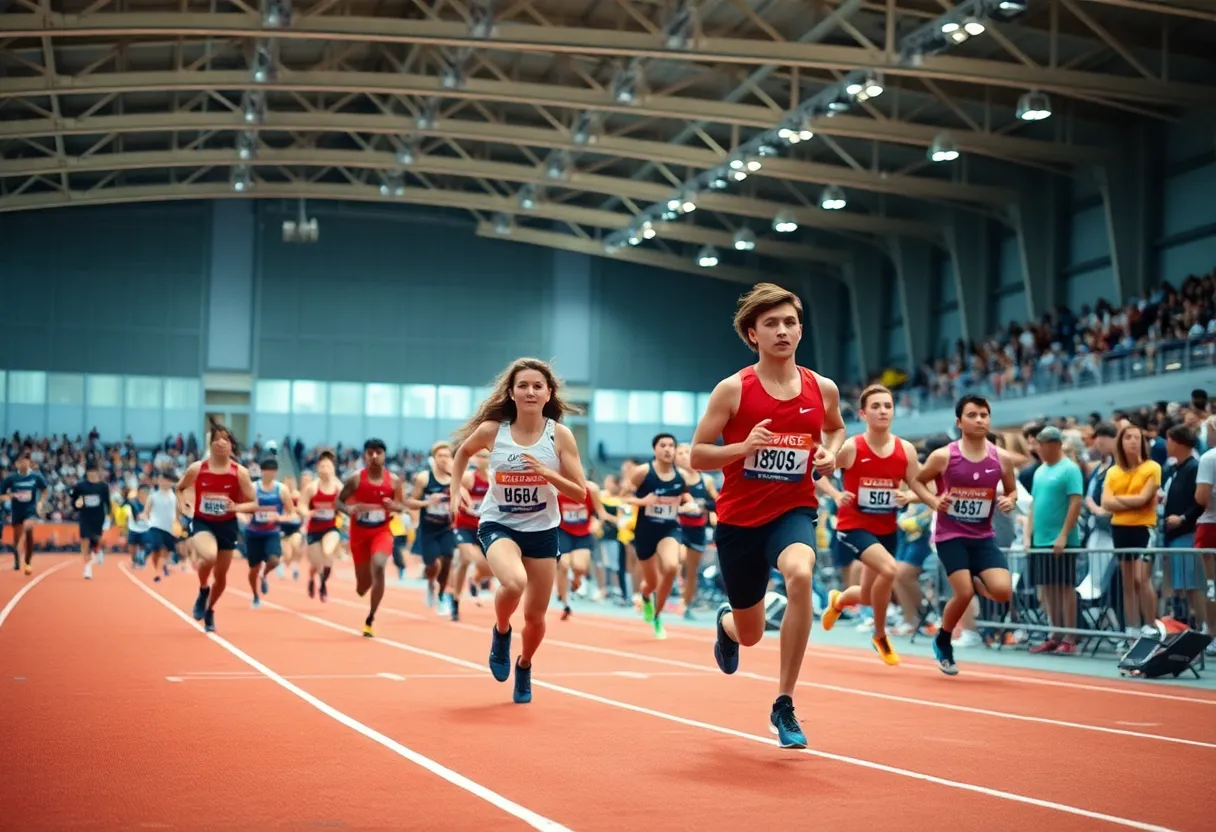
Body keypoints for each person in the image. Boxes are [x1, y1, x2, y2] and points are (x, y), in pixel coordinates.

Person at [689, 282, 844, 749]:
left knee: (801, 575)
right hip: (739, 521)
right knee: (751, 633)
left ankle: (784, 703)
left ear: (801, 330)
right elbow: (697, 455)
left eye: (790, 322)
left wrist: (830, 455)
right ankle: (728, 625)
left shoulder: (824, 388)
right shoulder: (733, 389)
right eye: (771, 324)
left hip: (792, 510)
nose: (783, 331)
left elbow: (835, 429)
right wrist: (743, 447)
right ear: (752, 334)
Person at [450, 358, 587, 704]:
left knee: (536, 618)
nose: (530, 391)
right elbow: (462, 452)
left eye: (537, 386)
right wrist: (455, 489)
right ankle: (501, 631)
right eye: (523, 385)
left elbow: (579, 492)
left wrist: (546, 472)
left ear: (548, 393)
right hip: (499, 523)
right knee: (514, 582)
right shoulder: (492, 431)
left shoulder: (560, 435)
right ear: (511, 393)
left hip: (542, 529)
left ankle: (524, 665)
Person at [822, 384, 941, 665]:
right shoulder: (852, 447)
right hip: (853, 526)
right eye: (876, 406)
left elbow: (919, 485)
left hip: (886, 529)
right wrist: (837, 494)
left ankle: (838, 601)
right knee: (890, 569)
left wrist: (911, 496)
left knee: (865, 595)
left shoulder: (906, 450)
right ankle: (879, 634)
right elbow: (818, 474)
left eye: (887, 406)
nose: (883, 411)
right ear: (863, 414)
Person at [915, 394, 1017, 675]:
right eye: (972, 415)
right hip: (950, 535)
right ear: (959, 422)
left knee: (1002, 591)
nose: (979, 420)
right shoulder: (944, 456)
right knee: (964, 592)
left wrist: (1010, 500)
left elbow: (1011, 490)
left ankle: (973, 574)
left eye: (984, 415)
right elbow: (918, 482)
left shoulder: (1002, 459)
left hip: (983, 536)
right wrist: (934, 501)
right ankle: (944, 639)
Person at [175, 422, 257, 633]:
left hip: (227, 526)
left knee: (221, 578)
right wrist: (184, 504)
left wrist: (237, 506)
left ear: (232, 446)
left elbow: (254, 503)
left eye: (226, 439)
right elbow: (180, 488)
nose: (221, 442)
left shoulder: (240, 473)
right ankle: (203, 589)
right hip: (203, 522)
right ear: (210, 444)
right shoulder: (197, 468)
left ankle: (210, 608)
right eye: (217, 438)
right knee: (209, 556)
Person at [623, 433, 696, 638]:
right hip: (645, 531)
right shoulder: (643, 472)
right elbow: (623, 496)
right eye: (662, 445)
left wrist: (689, 504)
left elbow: (686, 496)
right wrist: (643, 502)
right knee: (652, 583)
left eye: (671, 445)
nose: (667, 449)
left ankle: (657, 615)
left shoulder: (680, 475)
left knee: (672, 566)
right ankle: (646, 597)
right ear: (655, 449)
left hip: (669, 529)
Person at [1025, 426, 1085, 654]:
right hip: (1041, 540)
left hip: (1061, 541)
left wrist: (1062, 535)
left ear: (1053, 445)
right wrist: (1029, 534)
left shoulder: (1070, 470)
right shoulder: (1040, 471)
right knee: (1048, 589)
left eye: (1040, 444)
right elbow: (1033, 505)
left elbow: (1075, 503)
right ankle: (1055, 633)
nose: (1037, 449)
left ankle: (1070, 636)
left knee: (1064, 587)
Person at [337, 439, 406, 638]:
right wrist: (348, 509)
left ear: (384, 455)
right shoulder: (355, 479)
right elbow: (338, 502)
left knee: (379, 565)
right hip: (359, 534)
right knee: (362, 586)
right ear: (365, 456)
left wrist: (394, 506)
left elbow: (401, 505)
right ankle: (364, 585)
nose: (374, 456)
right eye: (370, 453)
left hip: (382, 531)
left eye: (378, 452)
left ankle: (370, 617)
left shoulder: (394, 481)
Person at [1100, 423, 1162, 637]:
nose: (1133, 441)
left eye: (1137, 437)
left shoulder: (1152, 467)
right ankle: (1132, 628)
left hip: (1143, 528)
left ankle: (1151, 625)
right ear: (1121, 442)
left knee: (1141, 578)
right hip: (1120, 529)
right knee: (1127, 581)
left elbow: (1144, 499)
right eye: (1128, 437)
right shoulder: (1113, 472)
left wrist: (1118, 500)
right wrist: (1131, 501)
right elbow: (1105, 503)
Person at [409, 441, 458, 614]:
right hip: (428, 529)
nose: (444, 459)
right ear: (434, 458)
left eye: (447, 456)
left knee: (447, 562)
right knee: (433, 565)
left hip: (447, 528)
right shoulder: (424, 478)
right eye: (440, 456)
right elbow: (411, 502)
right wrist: (428, 502)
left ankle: (442, 595)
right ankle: (430, 583)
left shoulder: (456, 478)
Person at [239, 456, 295, 609]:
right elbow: (241, 507)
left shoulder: (281, 490)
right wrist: (244, 517)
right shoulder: (253, 488)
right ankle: (255, 595)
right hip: (253, 533)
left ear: (276, 473)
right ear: (262, 471)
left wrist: (279, 517)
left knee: (275, 560)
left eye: (272, 471)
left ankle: (265, 575)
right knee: (253, 569)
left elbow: (291, 513)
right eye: (266, 471)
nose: (269, 474)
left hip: (271, 532)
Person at [449, 448, 492, 621]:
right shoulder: (469, 478)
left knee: (492, 568)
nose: (483, 460)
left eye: (486, 457)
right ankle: (456, 600)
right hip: (464, 526)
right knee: (466, 559)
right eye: (480, 457)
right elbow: (456, 490)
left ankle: (474, 580)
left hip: (485, 528)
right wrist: (462, 501)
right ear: (474, 459)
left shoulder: (493, 478)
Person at [298, 453, 341, 601]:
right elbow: (301, 505)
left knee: (327, 553)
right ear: (317, 468)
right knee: (316, 564)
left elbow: (347, 504)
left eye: (328, 466)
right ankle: (311, 580)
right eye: (322, 466)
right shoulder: (312, 488)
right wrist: (307, 512)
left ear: (333, 468)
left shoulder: (338, 486)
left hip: (330, 527)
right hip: (314, 529)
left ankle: (323, 584)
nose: (325, 469)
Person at [0, 450, 49, 574]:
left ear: (29, 463)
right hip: (17, 511)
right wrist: (8, 496)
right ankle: (17, 559)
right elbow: (2, 495)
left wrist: (41, 503)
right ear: (17, 463)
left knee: (29, 533)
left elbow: (44, 490)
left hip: (30, 510)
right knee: (17, 538)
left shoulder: (36, 476)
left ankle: (27, 562)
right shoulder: (11, 478)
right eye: (21, 461)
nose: (23, 464)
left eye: (26, 461)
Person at [70, 460, 112, 580]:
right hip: (85, 517)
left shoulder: (103, 487)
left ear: (98, 472)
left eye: (94, 472)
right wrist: (76, 504)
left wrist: (108, 516)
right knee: (85, 541)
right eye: (90, 472)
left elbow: (107, 503)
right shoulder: (81, 486)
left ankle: (97, 550)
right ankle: (87, 567)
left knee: (96, 539)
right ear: (87, 473)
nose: (92, 474)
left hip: (98, 518)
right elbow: (73, 500)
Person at [141, 469, 179, 582]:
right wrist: (148, 522)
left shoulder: (175, 497)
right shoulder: (153, 496)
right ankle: (158, 571)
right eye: (161, 479)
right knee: (157, 548)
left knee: (165, 551)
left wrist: (177, 524)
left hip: (169, 528)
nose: (163, 482)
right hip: (155, 526)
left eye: (166, 480)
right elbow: (146, 511)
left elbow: (178, 514)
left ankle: (160, 569)